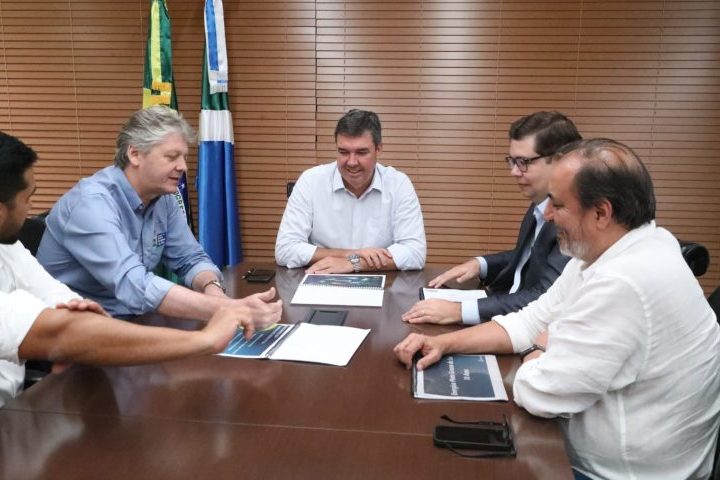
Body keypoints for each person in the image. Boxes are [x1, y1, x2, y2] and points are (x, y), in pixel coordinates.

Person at [394, 138, 720, 479]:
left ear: (601, 213)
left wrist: (535, 350)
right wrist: (445, 343)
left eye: (558, 204)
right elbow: (531, 319)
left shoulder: (624, 281)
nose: (547, 215)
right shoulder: (620, 248)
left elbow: (540, 393)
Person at [0, 131, 259, 408]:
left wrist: (79, 327)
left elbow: (56, 297)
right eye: (28, 198)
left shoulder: (9, 247)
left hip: (34, 393)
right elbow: (65, 327)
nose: (31, 208)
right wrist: (206, 338)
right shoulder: (91, 202)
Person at [37, 106, 281, 324]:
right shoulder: (91, 204)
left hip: (132, 322)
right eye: (172, 157)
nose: (183, 167)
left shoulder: (163, 199)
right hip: (75, 331)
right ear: (135, 154)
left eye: (184, 157)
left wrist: (213, 289)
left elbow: (191, 259)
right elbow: (134, 285)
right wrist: (227, 309)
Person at [402, 111, 579, 326]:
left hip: (527, 327)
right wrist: (479, 264)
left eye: (523, 162)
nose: (514, 172)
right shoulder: (540, 202)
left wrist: (460, 311)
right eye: (512, 161)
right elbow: (531, 257)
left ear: (560, 160)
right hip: (508, 315)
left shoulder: (573, 219)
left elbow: (544, 298)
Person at [274, 109, 426, 273]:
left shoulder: (398, 184)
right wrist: (350, 254)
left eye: (361, 152)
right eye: (344, 152)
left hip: (383, 281)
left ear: (378, 149)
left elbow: (415, 252)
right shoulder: (311, 181)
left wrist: (355, 264)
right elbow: (285, 249)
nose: (352, 162)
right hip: (321, 276)